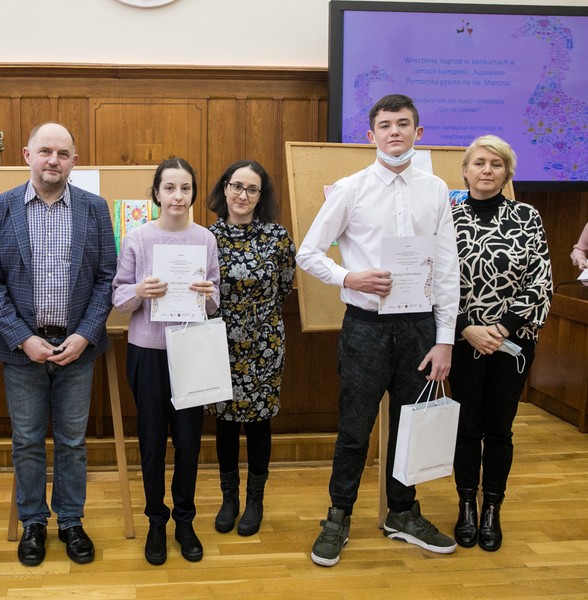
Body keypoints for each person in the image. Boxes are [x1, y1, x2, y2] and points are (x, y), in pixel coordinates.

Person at [296, 94, 461, 567]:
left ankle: (402, 513)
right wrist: (348, 277)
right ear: (370, 136)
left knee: (411, 426)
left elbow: (448, 269)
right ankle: (338, 516)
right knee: (354, 430)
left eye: (403, 124)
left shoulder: (435, 190)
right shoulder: (349, 189)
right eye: (385, 125)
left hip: (419, 328)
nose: (394, 132)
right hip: (366, 328)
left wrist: (444, 338)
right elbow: (307, 253)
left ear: (418, 133)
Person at [0, 122, 116, 567]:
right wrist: (23, 338)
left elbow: (105, 279)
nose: (53, 160)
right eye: (45, 152)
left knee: (73, 441)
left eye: (62, 153)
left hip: (77, 348)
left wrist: (84, 334)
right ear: (27, 155)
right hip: (23, 351)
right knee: (28, 441)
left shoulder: (95, 209)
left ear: (74, 160)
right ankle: (34, 522)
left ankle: (71, 521)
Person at [112, 157, 220, 566]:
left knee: (189, 443)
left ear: (193, 193)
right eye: (169, 188)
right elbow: (119, 298)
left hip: (193, 350)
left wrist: (208, 292)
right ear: (156, 193)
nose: (178, 196)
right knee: (153, 442)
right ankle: (157, 520)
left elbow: (215, 303)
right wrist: (140, 289)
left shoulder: (205, 239)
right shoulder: (138, 238)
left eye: (185, 188)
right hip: (148, 352)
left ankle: (185, 519)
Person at [449, 135, 553, 552]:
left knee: (499, 429)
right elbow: (431, 282)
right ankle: (465, 507)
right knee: (466, 427)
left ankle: (491, 506)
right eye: (479, 163)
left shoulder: (527, 216)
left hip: (513, 344)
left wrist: (503, 328)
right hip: (461, 340)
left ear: (507, 172)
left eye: (495, 163)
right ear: (465, 171)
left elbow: (540, 281)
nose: (487, 170)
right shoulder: (446, 218)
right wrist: (465, 328)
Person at [205, 160, 296, 536]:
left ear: (261, 196)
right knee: (224, 424)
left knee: (259, 424)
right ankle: (230, 499)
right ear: (224, 188)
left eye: (252, 189)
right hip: (217, 345)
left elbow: (286, 286)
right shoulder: (205, 237)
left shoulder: (277, 237)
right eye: (237, 186)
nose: (243, 195)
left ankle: (255, 500)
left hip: (264, 345)